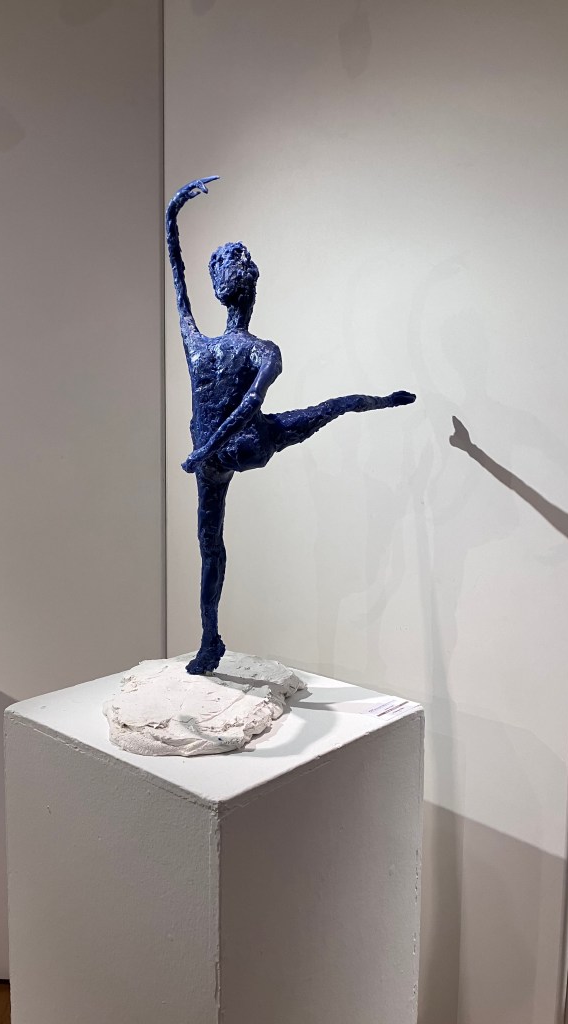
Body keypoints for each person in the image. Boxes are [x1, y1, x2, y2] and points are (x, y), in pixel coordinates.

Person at [166, 177, 415, 675]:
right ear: (251, 292)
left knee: (211, 547)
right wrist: (171, 214)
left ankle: (209, 641)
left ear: (223, 291)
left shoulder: (199, 344)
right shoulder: (262, 350)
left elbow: (179, 282)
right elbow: (248, 403)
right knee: (332, 406)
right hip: (244, 445)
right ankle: (209, 641)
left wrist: (173, 215)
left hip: (217, 454)